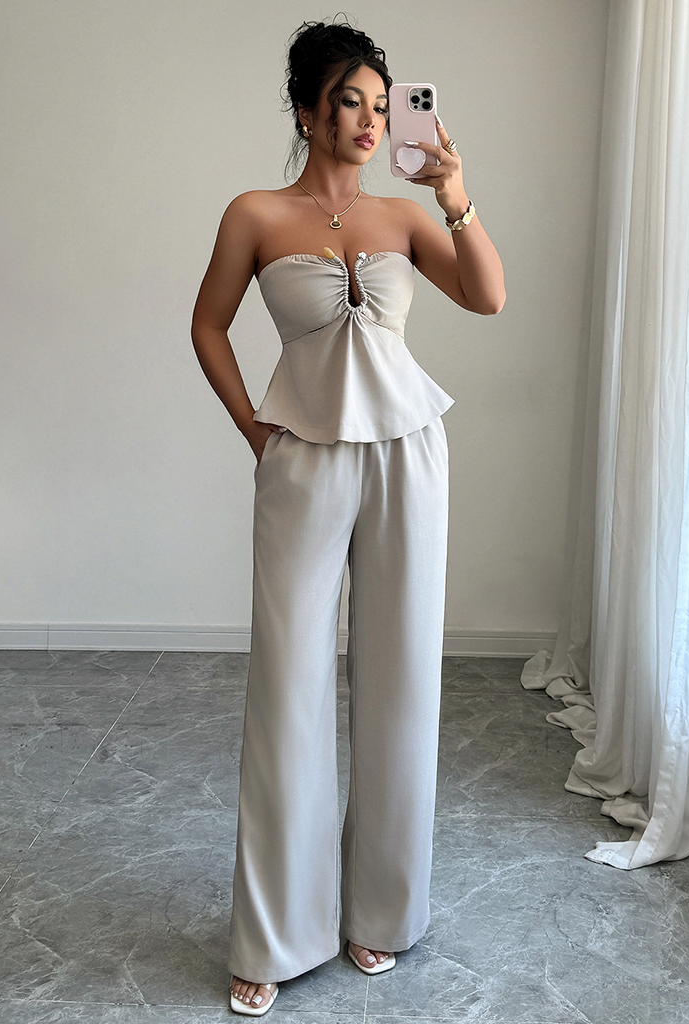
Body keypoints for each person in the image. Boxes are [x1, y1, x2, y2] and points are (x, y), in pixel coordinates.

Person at [191, 17, 505, 1017]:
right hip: (304, 457)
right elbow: (207, 324)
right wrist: (257, 432)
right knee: (287, 687)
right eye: (349, 102)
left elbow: (489, 297)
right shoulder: (255, 213)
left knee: (401, 677)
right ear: (306, 112)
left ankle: (381, 911)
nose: (371, 120)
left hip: (410, 453)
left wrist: (454, 197)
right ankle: (277, 932)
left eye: (381, 103)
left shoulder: (404, 217)